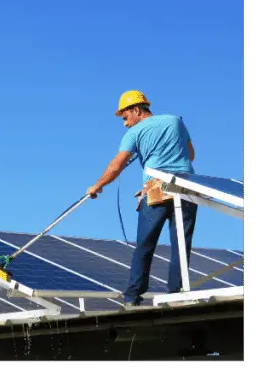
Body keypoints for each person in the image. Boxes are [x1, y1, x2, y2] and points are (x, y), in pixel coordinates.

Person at [84, 90, 198, 306]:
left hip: (156, 190)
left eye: (126, 117)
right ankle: (176, 293)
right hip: (187, 189)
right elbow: (190, 155)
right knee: (181, 245)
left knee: (145, 244)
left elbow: (116, 165)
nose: (125, 124)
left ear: (136, 110)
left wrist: (97, 186)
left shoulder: (134, 134)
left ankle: (133, 296)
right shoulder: (176, 122)